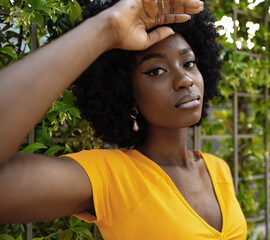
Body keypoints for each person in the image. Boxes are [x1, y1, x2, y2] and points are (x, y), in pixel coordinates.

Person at [0, 0, 247, 239]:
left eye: (189, 63)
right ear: (124, 91)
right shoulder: (112, 177)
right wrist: (109, 27)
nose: (185, 79)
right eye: (156, 70)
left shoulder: (218, 168)